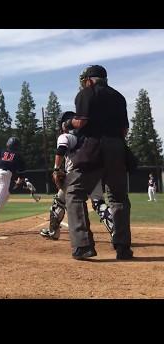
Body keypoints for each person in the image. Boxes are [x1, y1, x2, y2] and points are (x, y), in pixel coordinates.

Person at [63, 64, 132, 260]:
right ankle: (123, 248)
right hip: (117, 148)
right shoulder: (119, 97)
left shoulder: (87, 92)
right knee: (118, 197)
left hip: (94, 147)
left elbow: (81, 121)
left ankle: (83, 245)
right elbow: (124, 131)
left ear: (89, 80)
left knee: (74, 193)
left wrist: (67, 123)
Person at [41, 111, 114, 240]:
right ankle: (116, 232)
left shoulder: (66, 136)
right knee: (98, 202)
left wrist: (56, 169)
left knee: (59, 202)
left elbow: (61, 149)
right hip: (94, 172)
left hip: (75, 176)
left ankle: (54, 232)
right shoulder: (88, 137)